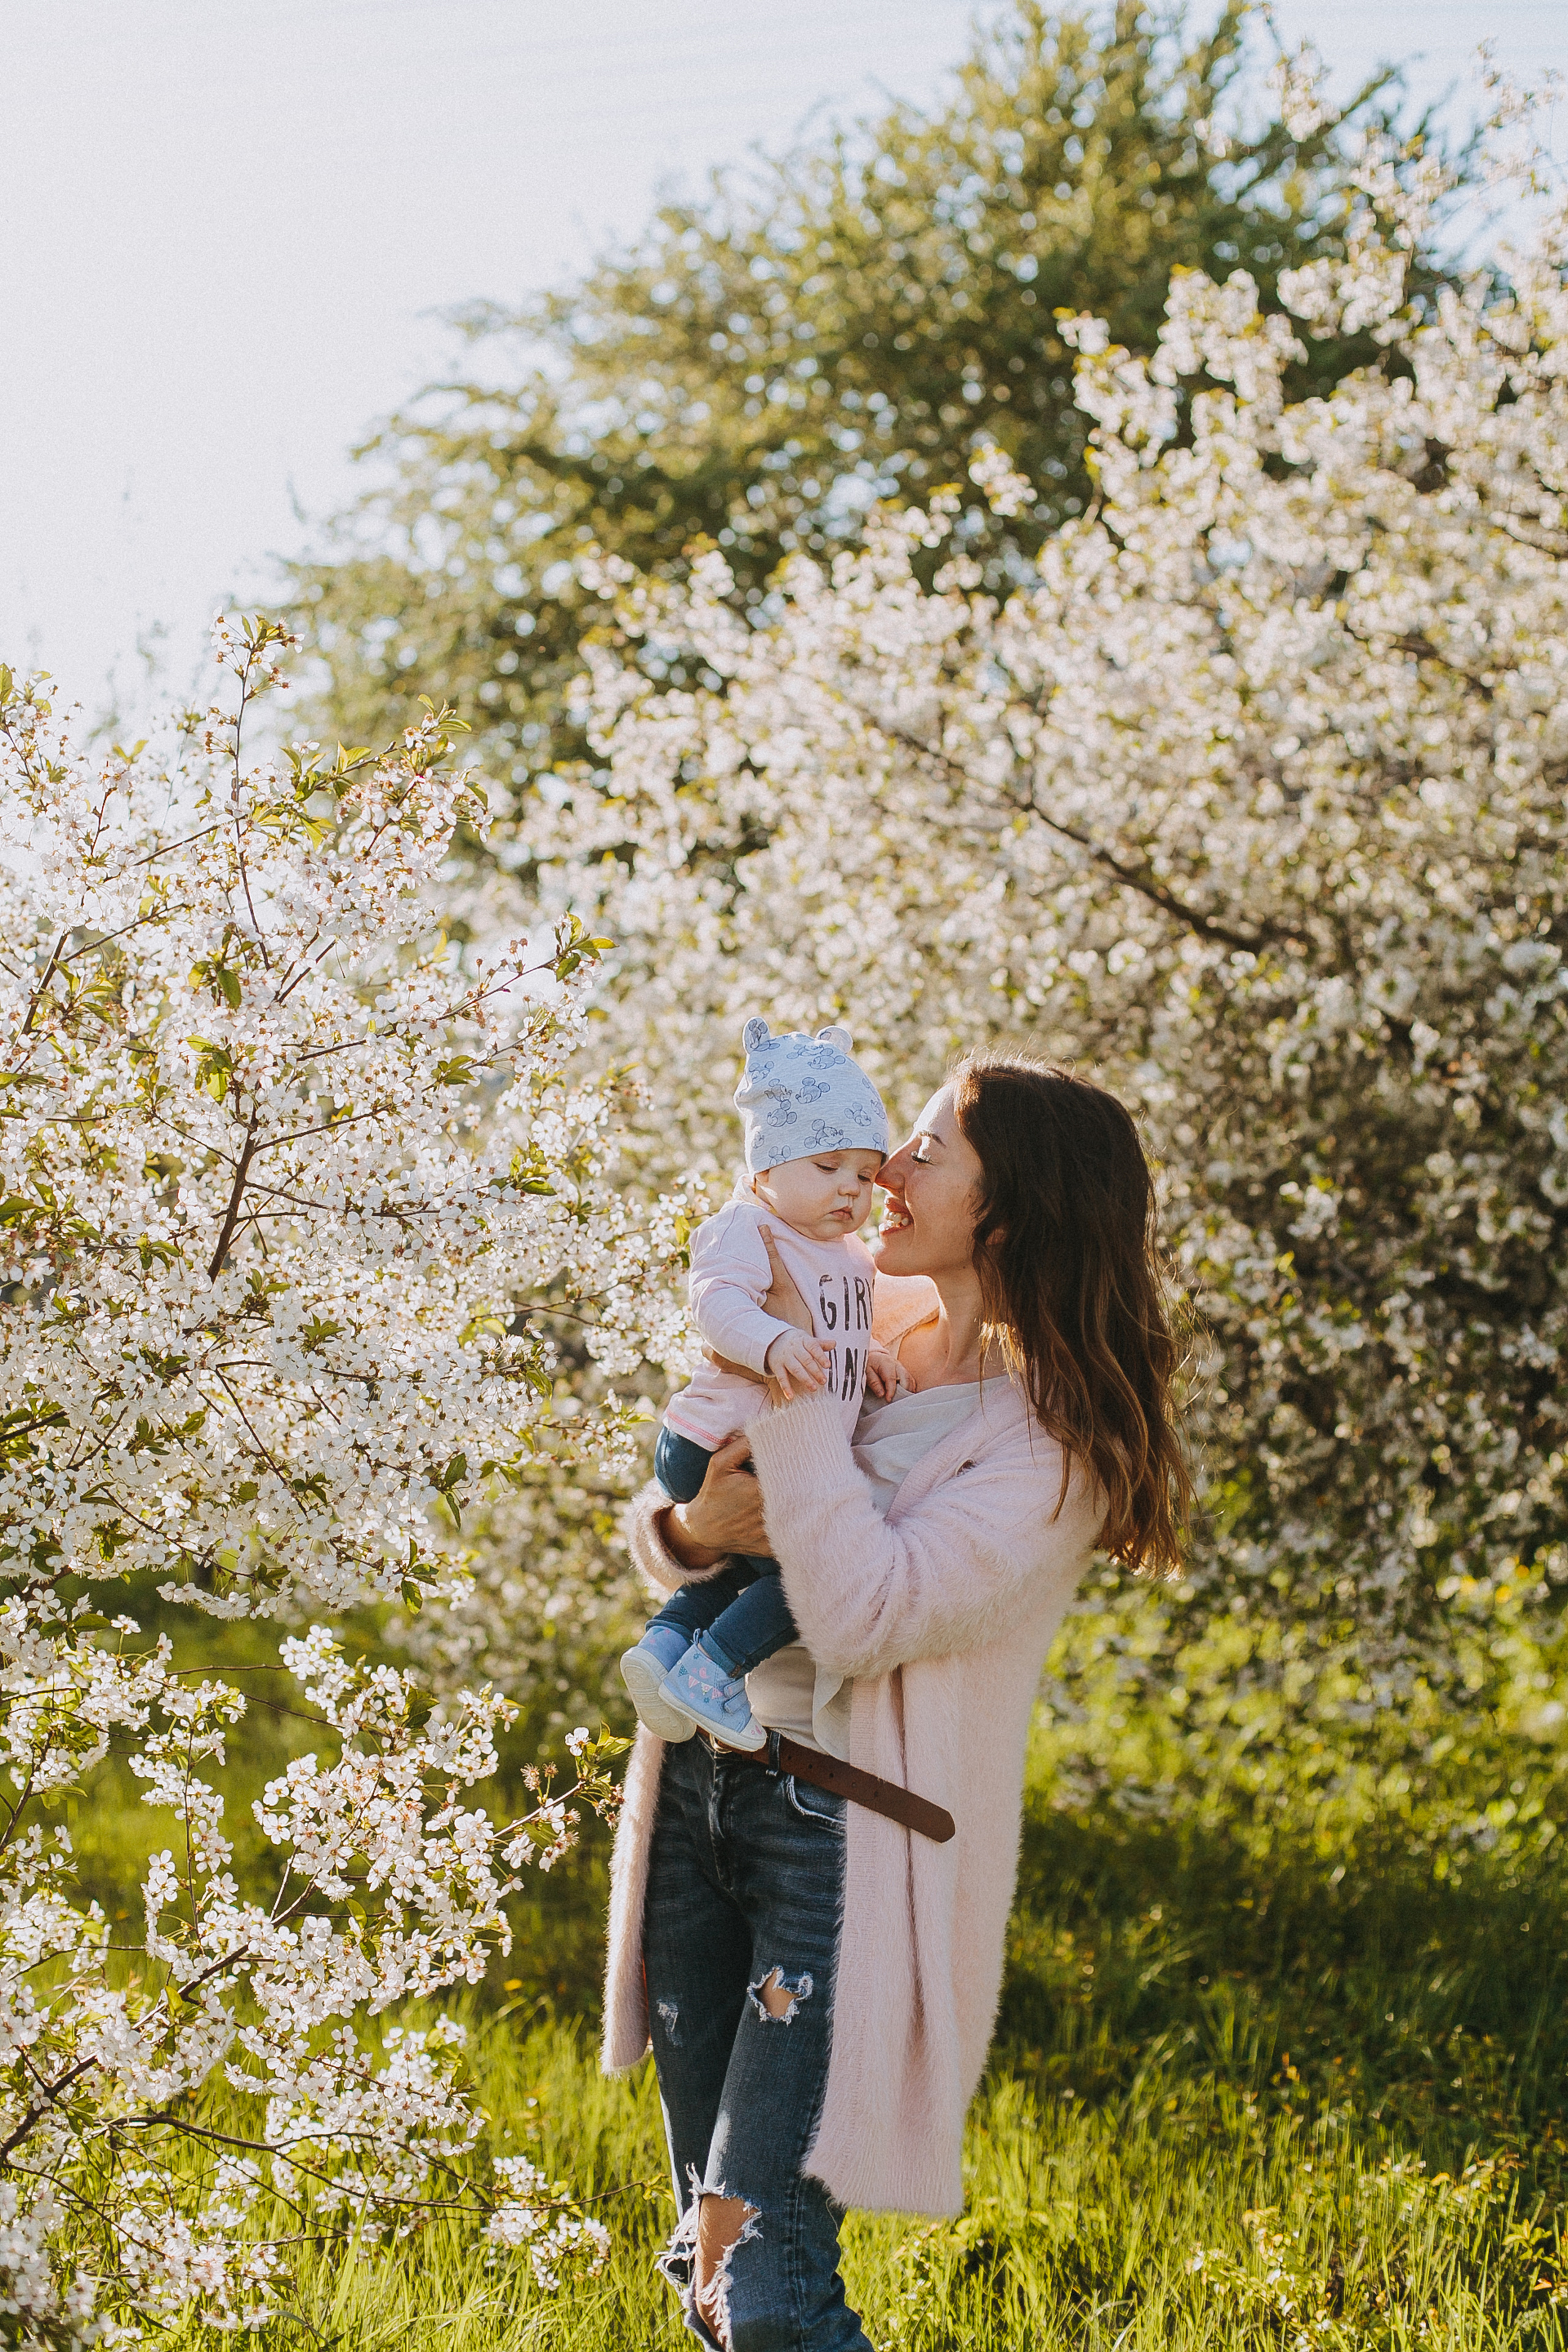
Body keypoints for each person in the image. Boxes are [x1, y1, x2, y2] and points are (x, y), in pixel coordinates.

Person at [601, 1054, 1192, 2351]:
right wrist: (692, 1526)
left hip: (840, 1846)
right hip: (700, 1787)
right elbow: (696, 1514)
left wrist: (796, 1394)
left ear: (1010, 1206)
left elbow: (863, 1609)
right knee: (706, 2255)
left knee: (763, 2283)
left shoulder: (1051, 1448)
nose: (885, 1170)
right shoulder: (848, 1301)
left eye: (926, 1149)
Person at [620, 1019, 903, 1753]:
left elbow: (832, 1329)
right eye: (826, 1164)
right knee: (810, 1572)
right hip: (718, 1442)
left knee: (757, 1566)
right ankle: (712, 1674)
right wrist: (773, 1342)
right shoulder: (748, 1227)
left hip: (773, 1452)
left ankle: (665, 1646)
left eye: (865, 1175)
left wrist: (868, 1354)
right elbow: (716, 1305)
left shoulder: (848, 1257)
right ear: (765, 1171)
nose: (850, 1188)